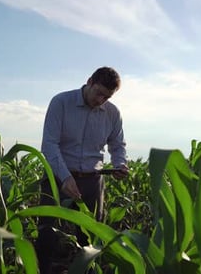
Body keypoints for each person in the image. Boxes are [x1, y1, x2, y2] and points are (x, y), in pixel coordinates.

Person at [36, 66, 129, 274]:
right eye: (98, 93)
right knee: (46, 233)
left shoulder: (113, 113)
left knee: (89, 239)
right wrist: (65, 177)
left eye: (107, 97)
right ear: (89, 82)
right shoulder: (61, 102)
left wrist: (120, 164)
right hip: (57, 178)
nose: (100, 100)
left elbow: (117, 144)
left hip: (92, 181)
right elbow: (49, 144)